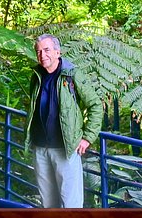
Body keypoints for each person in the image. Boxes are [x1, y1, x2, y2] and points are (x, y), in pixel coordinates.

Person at [25, 33, 103, 208]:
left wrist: (88, 137)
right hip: (40, 148)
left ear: (57, 52)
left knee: (71, 203)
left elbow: (96, 105)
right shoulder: (36, 76)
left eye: (46, 50)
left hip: (65, 149)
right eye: (38, 51)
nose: (42, 55)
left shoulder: (72, 75)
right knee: (48, 203)